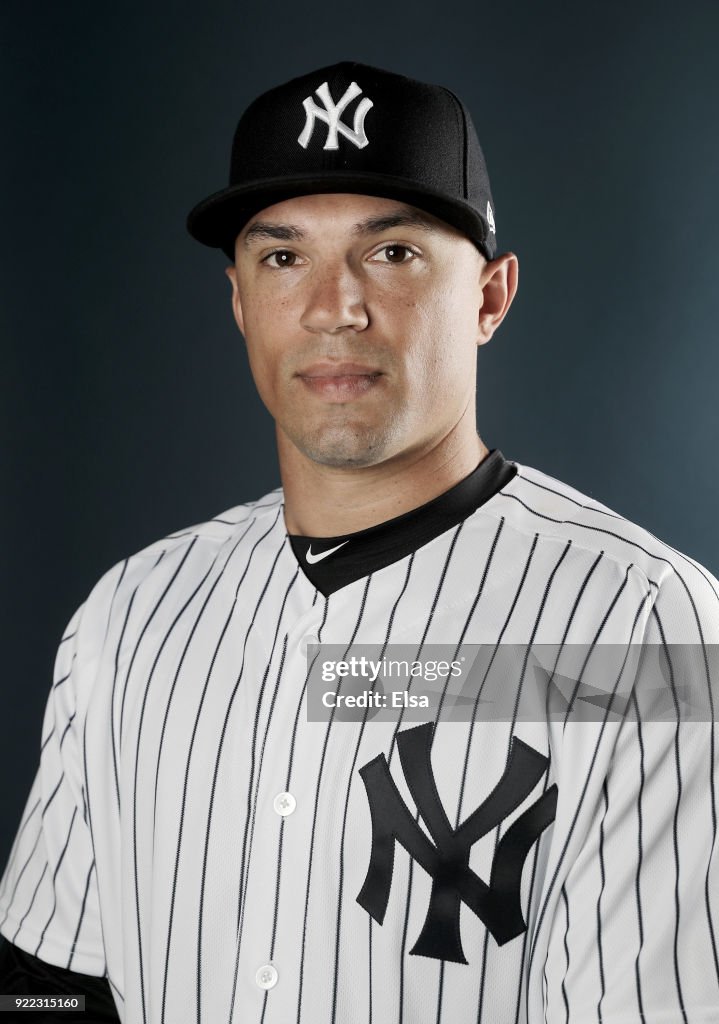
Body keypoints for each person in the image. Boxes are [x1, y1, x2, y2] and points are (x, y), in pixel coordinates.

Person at [1, 61, 717, 1024]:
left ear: (490, 297)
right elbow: (50, 986)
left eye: (392, 254)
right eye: (283, 257)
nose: (333, 306)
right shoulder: (128, 616)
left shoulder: (645, 628)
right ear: (239, 302)